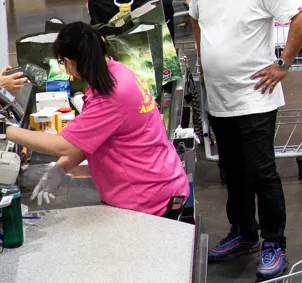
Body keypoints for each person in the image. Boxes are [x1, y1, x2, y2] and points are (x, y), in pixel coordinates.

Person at [189, 0, 302, 277]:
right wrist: (206, 57)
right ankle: (244, 232)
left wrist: (282, 64)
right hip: (220, 95)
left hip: (256, 95)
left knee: (261, 171)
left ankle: (275, 242)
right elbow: (197, 19)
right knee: (232, 170)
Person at [2, 22, 189, 219]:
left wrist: (7, 130)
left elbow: (64, 145)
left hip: (147, 199)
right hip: (159, 182)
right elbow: (92, 137)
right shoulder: (116, 73)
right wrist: (62, 166)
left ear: (70, 62)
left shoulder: (112, 95)